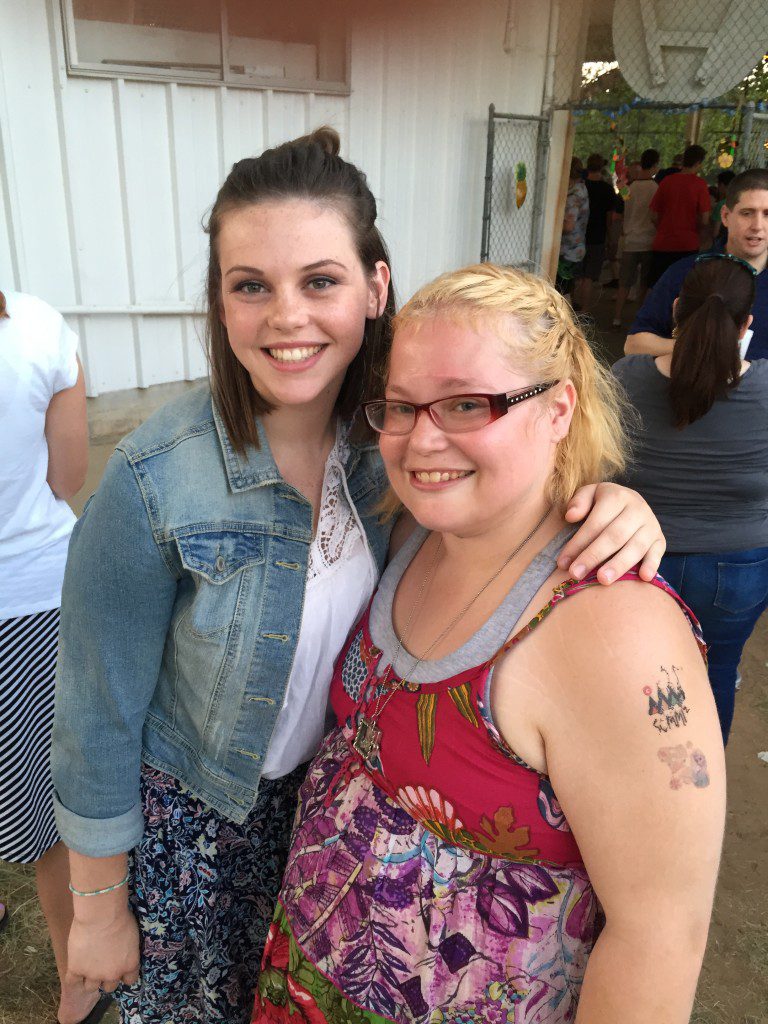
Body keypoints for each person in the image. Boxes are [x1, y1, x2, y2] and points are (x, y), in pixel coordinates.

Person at [51, 129, 666, 1024]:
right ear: (220, 304)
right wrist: (98, 911)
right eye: (250, 285)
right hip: (187, 835)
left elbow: (509, 496)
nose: (286, 317)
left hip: (321, 832)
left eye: (321, 281)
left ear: (376, 287)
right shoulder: (156, 476)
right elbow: (95, 713)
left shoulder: (401, 452)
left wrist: (611, 501)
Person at [255, 263, 725, 1024]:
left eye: (469, 403)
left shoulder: (617, 634)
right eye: (401, 407)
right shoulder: (411, 529)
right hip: (311, 977)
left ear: (558, 409)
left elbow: (661, 937)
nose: (421, 438)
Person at [615, 256, 768, 744]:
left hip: (634, 558)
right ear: (747, 324)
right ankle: (700, 802)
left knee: (632, 680)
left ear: (677, 309)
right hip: (738, 569)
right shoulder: (765, 388)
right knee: (717, 673)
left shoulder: (627, 377)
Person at [0, 288, 94, 1024]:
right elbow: (67, 479)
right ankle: (75, 980)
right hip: (31, 595)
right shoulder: (36, 329)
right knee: (42, 807)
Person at [626, 168, 768, 359]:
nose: (757, 225)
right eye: (747, 213)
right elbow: (633, 345)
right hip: (691, 387)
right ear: (725, 216)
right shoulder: (686, 272)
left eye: (767, 214)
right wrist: (700, 347)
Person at [647, 144, 710, 285]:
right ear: (699, 163)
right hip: (687, 244)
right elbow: (705, 220)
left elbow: (653, 215)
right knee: (682, 287)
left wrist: (663, 228)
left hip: (663, 242)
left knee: (657, 286)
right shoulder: (700, 185)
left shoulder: (667, 181)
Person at [613, 148, 659, 327]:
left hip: (630, 240)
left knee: (624, 283)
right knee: (643, 284)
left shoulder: (629, 189)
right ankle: (638, 319)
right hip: (648, 240)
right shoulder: (656, 188)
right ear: (655, 166)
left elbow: (624, 209)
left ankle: (616, 317)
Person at [573, 153, 617, 313]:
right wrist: (610, 236)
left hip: (577, 235)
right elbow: (609, 217)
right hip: (597, 235)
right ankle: (584, 309)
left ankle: (572, 303)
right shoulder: (607, 189)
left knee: (575, 273)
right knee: (589, 276)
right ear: (602, 167)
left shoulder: (580, 186)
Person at [556, 156, 589, 295]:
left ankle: (565, 316)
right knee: (566, 292)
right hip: (576, 249)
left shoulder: (573, 196)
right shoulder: (581, 187)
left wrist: (550, 229)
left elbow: (568, 227)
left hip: (568, 252)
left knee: (561, 294)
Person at [711, 170, 736, 245]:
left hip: (722, 245)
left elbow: (715, 233)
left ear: (721, 185)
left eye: (718, 185)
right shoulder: (742, 202)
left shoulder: (721, 205)